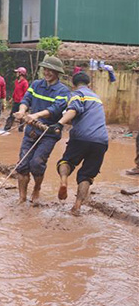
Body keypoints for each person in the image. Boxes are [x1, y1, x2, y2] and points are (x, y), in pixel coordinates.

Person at [50, 72, 108, 216]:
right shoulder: (97, 98)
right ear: (89, 84)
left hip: (81, 137)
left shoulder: (76, 94)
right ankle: (77, 207)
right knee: (87, 175)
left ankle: (64, 181)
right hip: (101, 140)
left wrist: (59, 123)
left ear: (73, 84)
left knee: (66, 161)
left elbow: (73, 110)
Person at [14, 56, 70, 204]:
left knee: (37, 163)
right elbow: (26, 99)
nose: (47, 72)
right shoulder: (36, 84)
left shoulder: (63, 91)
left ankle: (37, 189)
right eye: (45, 69)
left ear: (57, 73)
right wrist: (22, 111)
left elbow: (55, 108)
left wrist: (36, 115)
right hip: (31, 130)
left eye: (50, 70)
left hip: (48, 133)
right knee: (22, 164)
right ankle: (21, 197)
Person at [4, 67, 29, 132]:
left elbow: (26, 93)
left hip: (21, 102)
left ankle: (20, 129)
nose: (16, 74)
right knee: (12, 115)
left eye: (17, 72)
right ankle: (7, 128)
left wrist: (25, 102)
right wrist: (12, 98)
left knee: (21, 117)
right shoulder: (16, 82)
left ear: (21, 74)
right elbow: (15, 91)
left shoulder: (25, 83)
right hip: (16, 101)